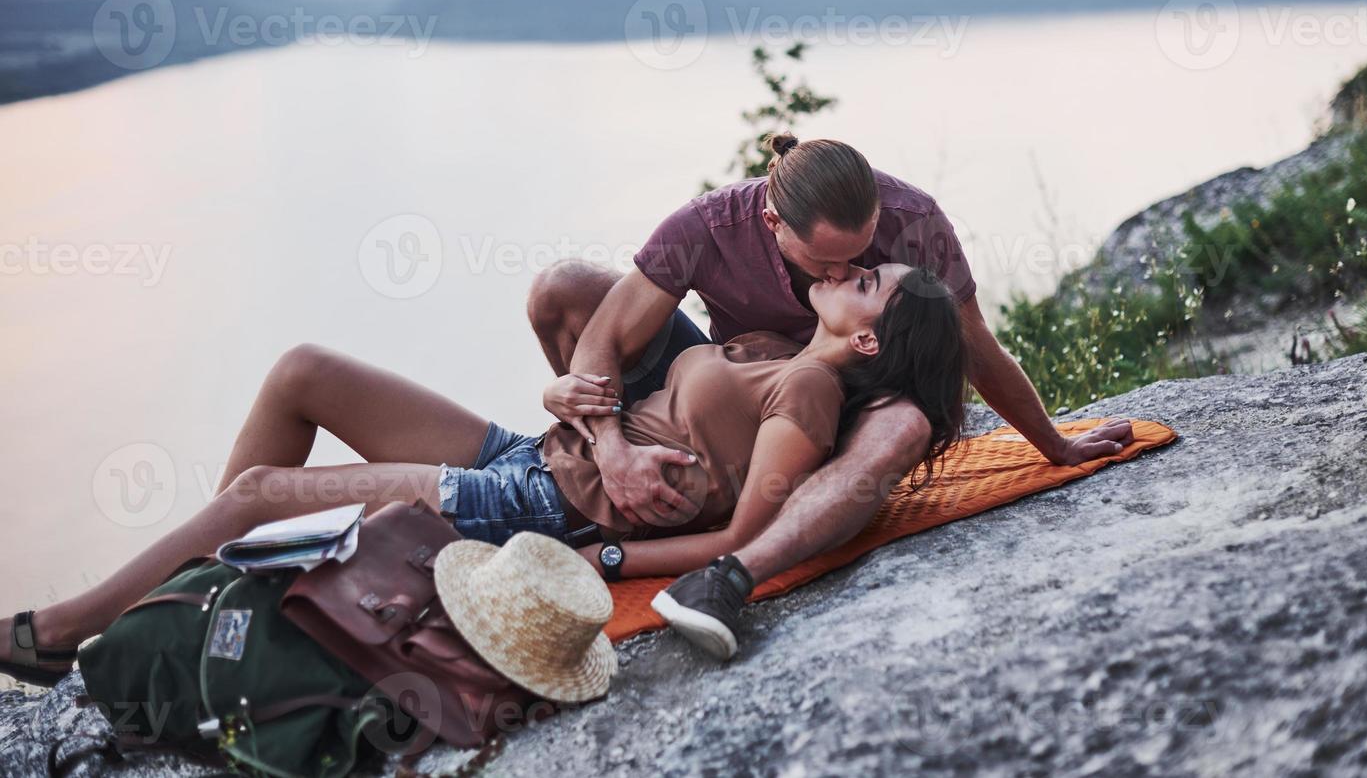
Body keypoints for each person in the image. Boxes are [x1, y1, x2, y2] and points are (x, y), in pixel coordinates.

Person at [0, 262, 964, 688]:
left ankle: (61, 636)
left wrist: (611, 551)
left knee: (261, 497)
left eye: (866, 280)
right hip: (530, 456)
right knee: (302, 373)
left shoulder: (806, 406)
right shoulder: (781, 351)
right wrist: (601, 430)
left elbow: (736, 543)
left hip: (530, 508)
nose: (849, 270)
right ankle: (200, 593)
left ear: (869, 332)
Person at [529, 134, 1134, 658]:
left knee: (906, 424)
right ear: (773, 223)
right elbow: (601, 337)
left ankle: (730, 570)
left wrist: (1054, 444)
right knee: (562, 290)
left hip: (844, 402)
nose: (842, 270)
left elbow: (977, 347)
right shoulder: (708, 227)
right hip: (743, 400)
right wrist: (609, 443)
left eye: (862, 256)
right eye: (825, 259)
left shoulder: (913, 219)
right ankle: (624, 485)